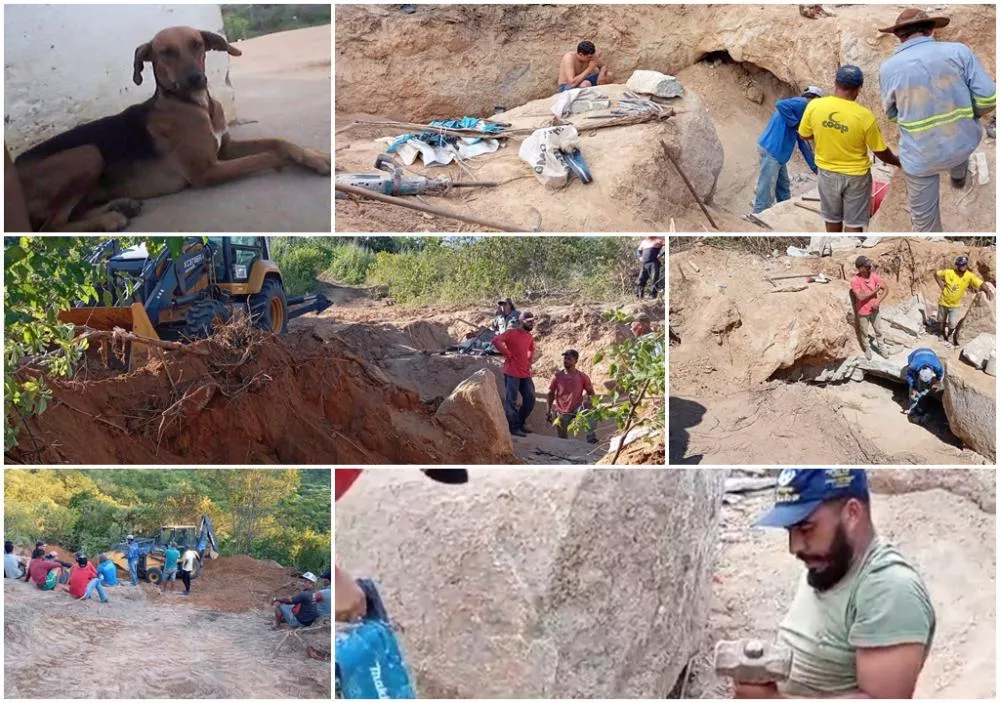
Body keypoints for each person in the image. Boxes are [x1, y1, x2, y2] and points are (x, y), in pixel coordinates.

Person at [741, 469, 934, 699]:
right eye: (790, 530)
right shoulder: (829, 563)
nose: (794, 547)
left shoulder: (888, 588)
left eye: (805, 528)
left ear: (852, 513)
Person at [879, 9, 997, 232]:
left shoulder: (888, 69)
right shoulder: (959, 52)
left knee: (925, 222)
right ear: (931, 30)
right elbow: (989, 97)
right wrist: (971, 114)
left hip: (921, 158)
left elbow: (892, 114)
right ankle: (959, 178)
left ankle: (932, 235)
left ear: (899, 36)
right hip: (963, 144)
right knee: (959, 148)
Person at [799, 65, 901, 232]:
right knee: (854, 224)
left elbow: (804, 134)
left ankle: (836, 249)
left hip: (827, 173)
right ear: (859, 88)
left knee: (832, 219)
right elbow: (879, 151)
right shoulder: (864, 115)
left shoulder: (815, 106)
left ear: (835, 83)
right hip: (857, 177)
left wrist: (826, 131)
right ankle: (849, 248)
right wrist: (898, 162)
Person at [752, 87, 823, 214]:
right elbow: (780, 104)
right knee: (766, 190)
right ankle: (758, 216)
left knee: (783, 188)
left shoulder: (801, 112)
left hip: (778, 155)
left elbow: (803, 144)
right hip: (772, 150)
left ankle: (785, 213)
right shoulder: (803, 103)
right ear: (814, 99)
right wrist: (795, 124)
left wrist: (815, 169)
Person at [492, 311, 537, 437]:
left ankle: (520, 422)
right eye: (529, 321)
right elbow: (496, 341)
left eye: (533, 321)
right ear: (521, 321)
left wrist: (529, 361)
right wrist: (507, 354)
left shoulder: (529, 336)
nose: (532, 323)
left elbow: (531, 349)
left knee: (530, 399)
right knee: (511, 401)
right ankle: (513, 427)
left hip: (525, 373)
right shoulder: (511, 333)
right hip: (512, 372)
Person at [934, 255, 995, 345]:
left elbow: (980, 283)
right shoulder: (948, 272)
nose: (962, 267)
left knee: (952, 323)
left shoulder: (969, 276)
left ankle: (950, 334)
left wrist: (988, 290)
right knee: (942, 320)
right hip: (943, 301)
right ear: (957, 265)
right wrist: (941, 285)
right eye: (960, 265)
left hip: (955, 305)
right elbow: (936, 274)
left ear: (967, 265)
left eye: (964, 265)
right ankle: (942, 334)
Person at [546, 349, 598, 443]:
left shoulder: (582, 377)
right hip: (562, 410)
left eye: (569, 359)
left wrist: (592, 404)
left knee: (590, 413)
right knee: (562, 439)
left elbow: (591, 392)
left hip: (577, 408)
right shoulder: (557, 377)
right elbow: (550, 393)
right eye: (565, 358)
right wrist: (548, 411)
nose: (566, 361)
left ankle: (591, 438)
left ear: (576, 361)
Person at [850, 256, 890, 360]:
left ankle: (882, 348)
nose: (869, 266)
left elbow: (886, 289)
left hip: (874, 310)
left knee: (879, 330)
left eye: (869, 264)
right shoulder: (855, 280)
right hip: (863, 312)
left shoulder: (874, 277)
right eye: (866, 265)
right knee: (864, 332)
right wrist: (875, 291)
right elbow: (860, 297)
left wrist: (878, 301)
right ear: (860, 268)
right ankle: (867, 349)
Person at [904, 348, 944, 423]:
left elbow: (940, 374)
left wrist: (936, 383)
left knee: (923, 388)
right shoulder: (913, 366)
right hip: (914, 355)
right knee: (913, 389)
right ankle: (913, 408)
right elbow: (908, 374)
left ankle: (921, 406)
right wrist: (913, 386)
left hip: (930, 353)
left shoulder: (937, 366)